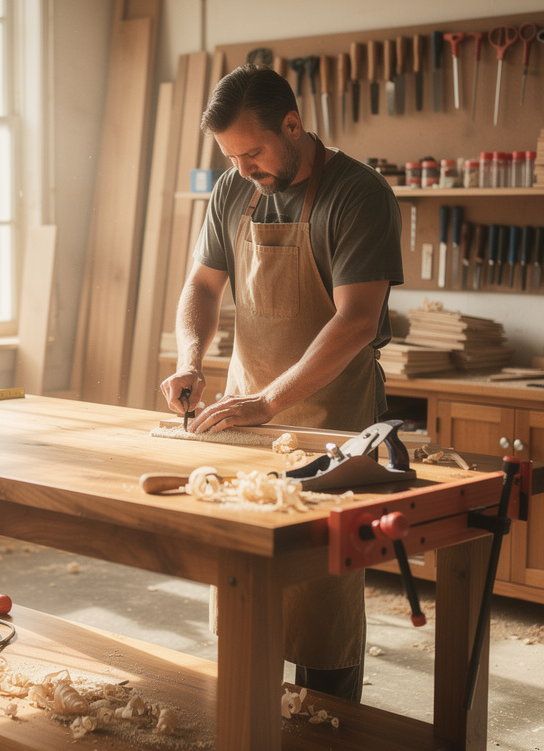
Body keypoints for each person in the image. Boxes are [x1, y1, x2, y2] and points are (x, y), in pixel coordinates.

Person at [159, 63, 404, 702]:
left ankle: (332, 728)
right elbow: (201, 286)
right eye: (231, 157)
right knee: (244, 581)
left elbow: (355, 322)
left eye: (254, 152)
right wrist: (192, 360)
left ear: (292, 124)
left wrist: (270, 401)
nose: (244, 171)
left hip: (333, 428)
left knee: (322, 595)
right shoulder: (233, 190)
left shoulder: (359, 193)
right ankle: (252, 728)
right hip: (245, 423)